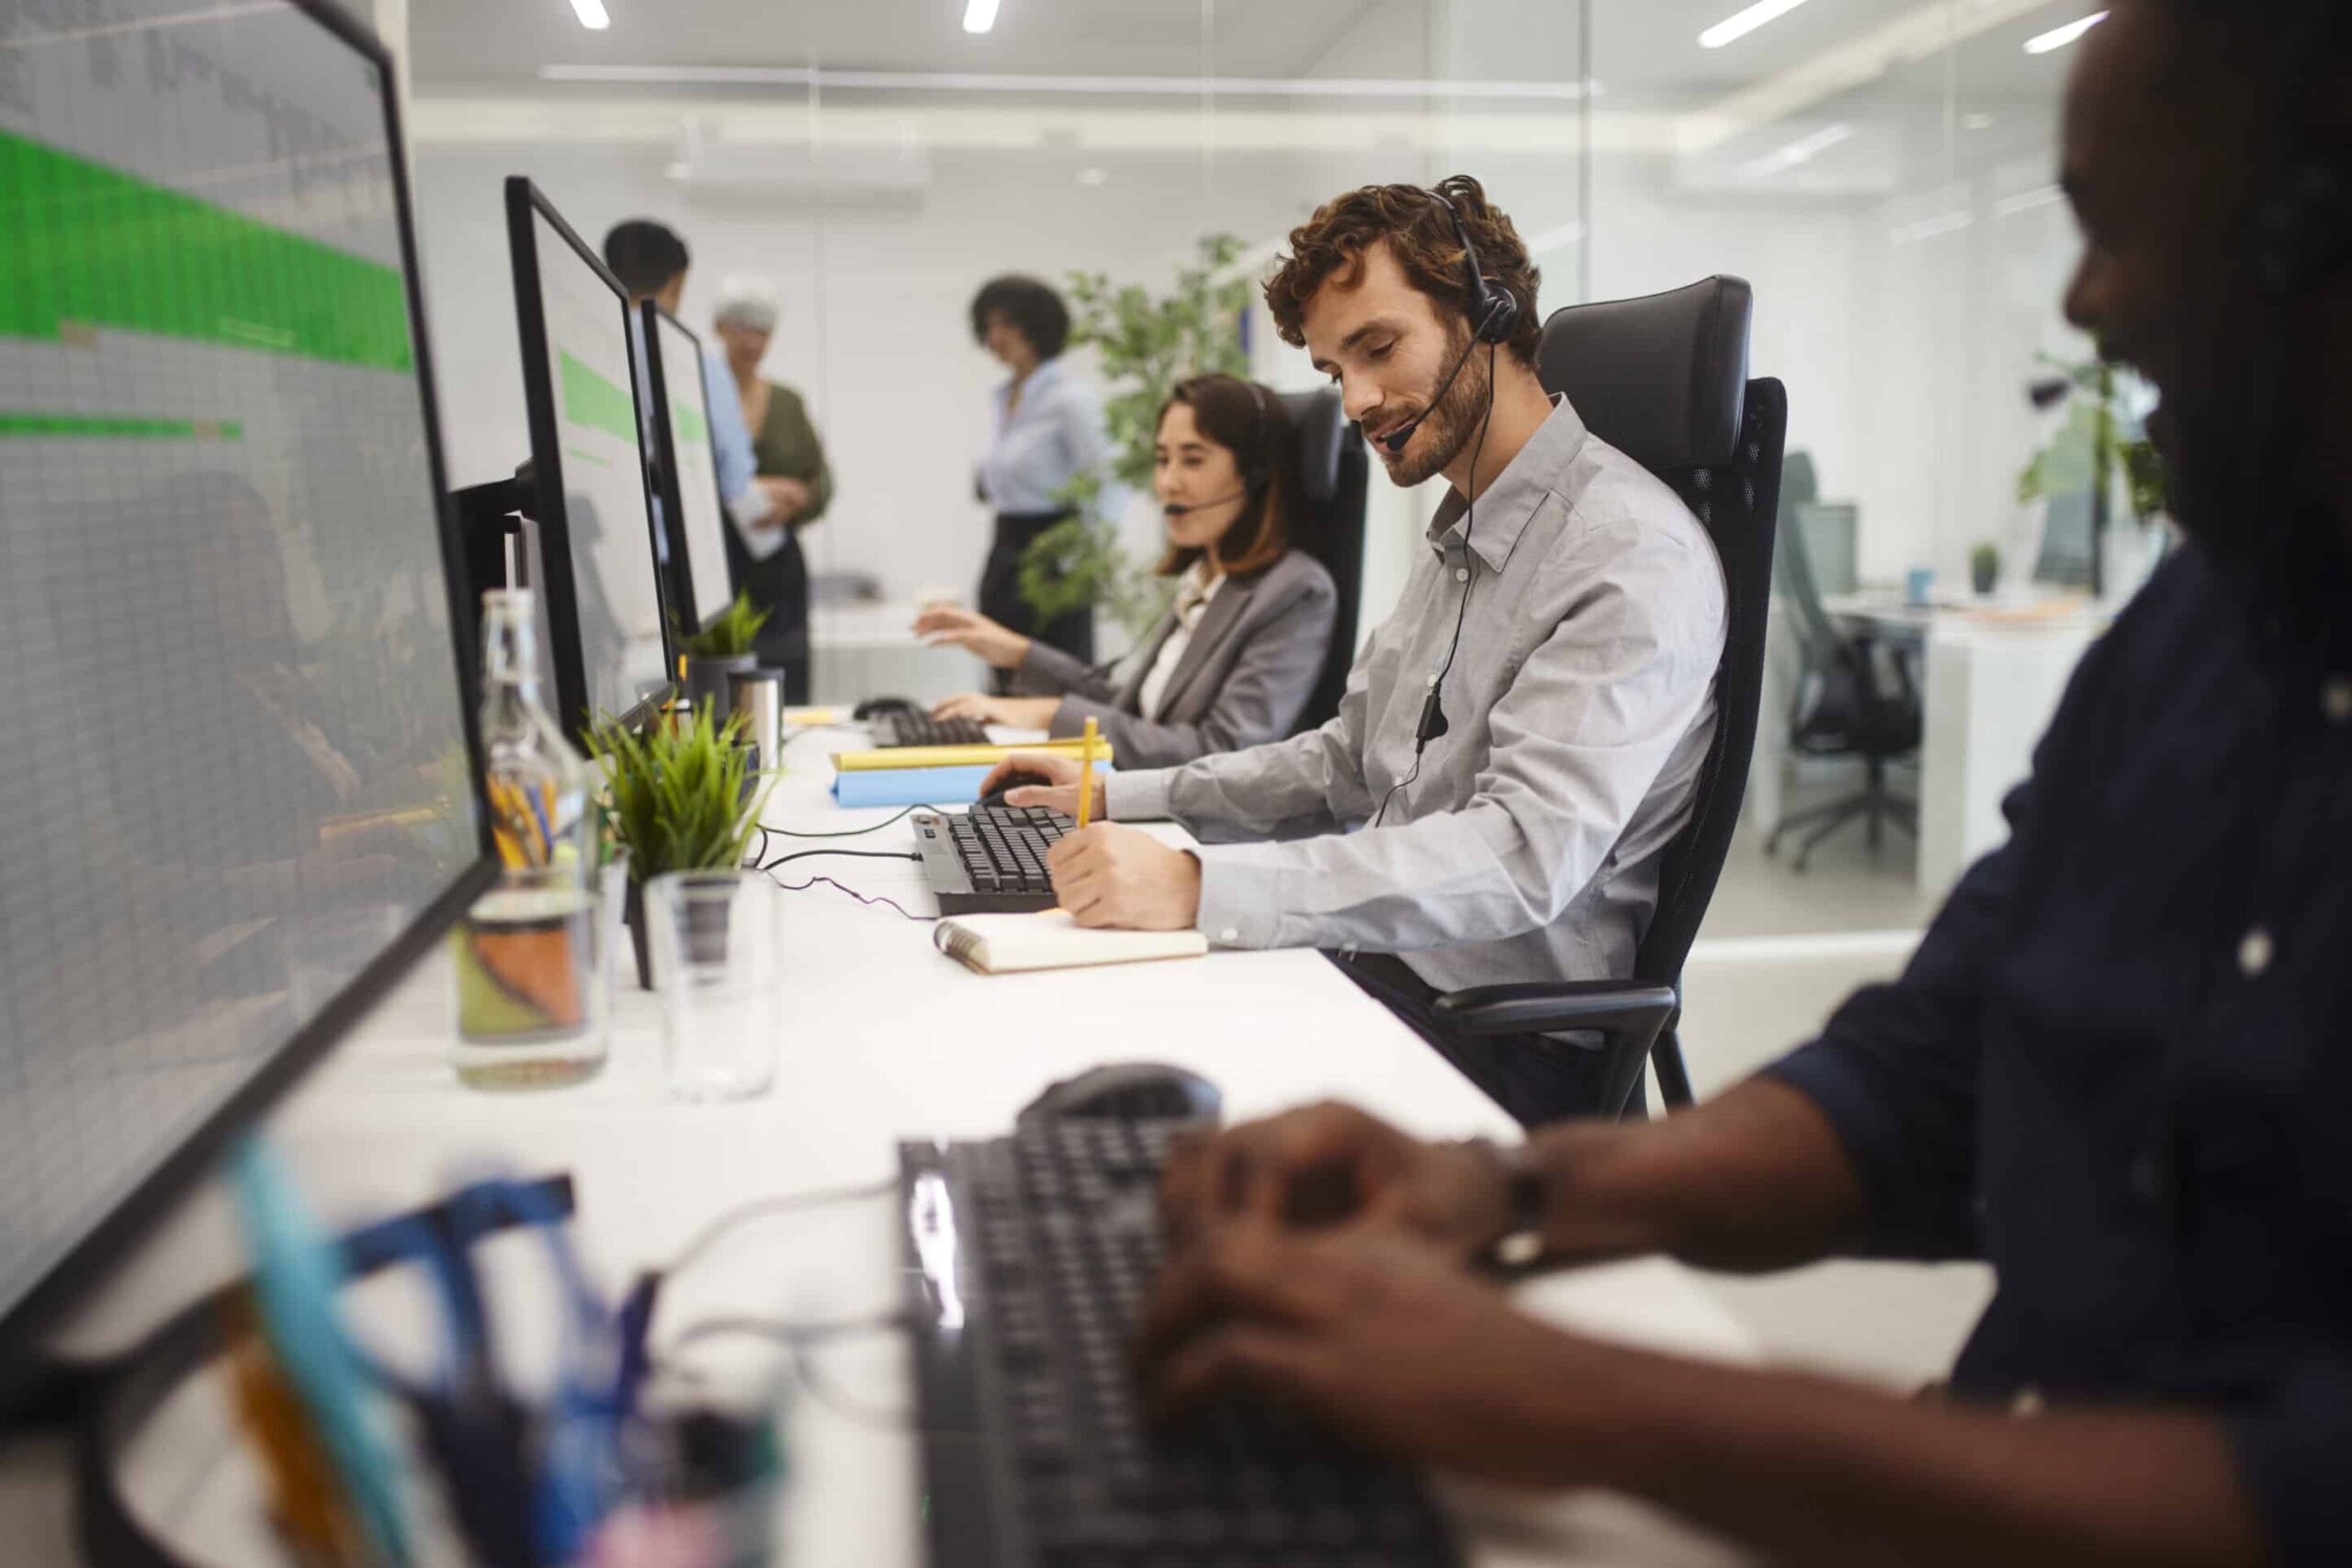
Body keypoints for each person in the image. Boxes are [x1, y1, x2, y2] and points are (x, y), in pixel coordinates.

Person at [1136, 3, 2352, 1562]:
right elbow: (1932, 1071)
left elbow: (2301, 1492)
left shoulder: (1630, 553)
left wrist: (1566, 1389)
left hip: (1492, 1011)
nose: (2087, 303)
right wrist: (1499, 1200)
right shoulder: (2207, 625)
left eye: (2134, 229)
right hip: (1994, 1422)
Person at [984, 177, 1728, 1122]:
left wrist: (1199, 883)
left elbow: (1521, 856)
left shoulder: (1627, 552)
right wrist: (1116, 795)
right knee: (1058, 1043)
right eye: (1336, 372)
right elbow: (1341, 759)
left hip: (1499, 1045)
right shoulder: (1465, 534)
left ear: (1490, 315)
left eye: (1377, 348)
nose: (1358, 401)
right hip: (1377, 974)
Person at [914, 375, 1339, 770]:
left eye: (1192, 460)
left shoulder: (1295, 592)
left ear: (1256, 475)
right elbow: (1133, 707)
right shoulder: (1206, 577)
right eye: (1162, 459)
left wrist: (1045, 714)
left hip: (1206, 838)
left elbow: (1222, 751)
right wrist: (1014, 651)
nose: (1168, 482)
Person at [600, 220, 797, 605]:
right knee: (678, 665)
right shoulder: (692, 362)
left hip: (608, 562)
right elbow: (734, 480)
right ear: (676, 282)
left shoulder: (584, 343)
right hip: (672, 564)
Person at [970, 273, 1114, 679]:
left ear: (1036, 327)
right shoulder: (1006, 398)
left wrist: (1081, 559)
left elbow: (1106, 482)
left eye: (1007, 324)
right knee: (1003, 669)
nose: (995, 335)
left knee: (1056, 676)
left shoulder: (1070, 399)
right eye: (989, 325)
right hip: (1006, 546)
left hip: (1055, 550)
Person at [711, 274, 834, 703]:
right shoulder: (698, 395)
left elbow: (823, 480)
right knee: (721, 683)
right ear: (720, 329)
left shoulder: (787, 402)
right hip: (719, 562)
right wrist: (750, 486)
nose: (751, 341)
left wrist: (796, 504)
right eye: (741, 328)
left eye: (761, 331)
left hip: (779, 567)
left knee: (787, 685)